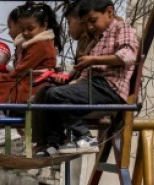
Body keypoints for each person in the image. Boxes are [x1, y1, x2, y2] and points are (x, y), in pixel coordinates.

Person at [36, 0, 138, 156]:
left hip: (109, 88)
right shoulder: (98, 39)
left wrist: (93, 60)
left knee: (56, 95)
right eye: (86, 23)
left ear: (109, 12)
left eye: (93, 20)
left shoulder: (121, 28)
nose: (90, 27)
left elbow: (128, 56)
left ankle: (85, 137)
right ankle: (53, 143)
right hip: (93, 86)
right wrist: (69, 81)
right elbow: (85, 74)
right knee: (47, 93)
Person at [0, 2, 60, 105]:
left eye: (30, 29)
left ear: (44, 26)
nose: (25, 33)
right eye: (23, 29)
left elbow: (20, 70)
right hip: (26, 84)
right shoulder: (32, 44)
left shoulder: (41, 45)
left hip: (32, 87)